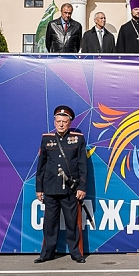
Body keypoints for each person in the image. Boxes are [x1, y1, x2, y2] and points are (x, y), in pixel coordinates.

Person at [35, 105, 88, 264]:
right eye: (58, 121)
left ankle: (76, 254)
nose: (61, 124)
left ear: (69, 122)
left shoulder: (78, 139)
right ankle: (47, 254)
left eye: (64, 121)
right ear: (54, 121)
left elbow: (83, 165)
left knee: (73, 223)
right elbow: (41, 166)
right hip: (50, 188)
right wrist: (39, 189)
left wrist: (82, 187)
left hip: (70, 189)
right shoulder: (46, 139)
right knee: (49, 224)